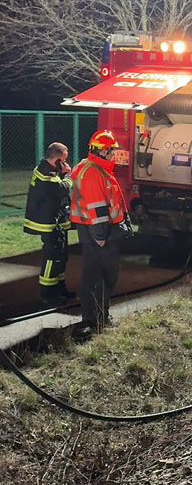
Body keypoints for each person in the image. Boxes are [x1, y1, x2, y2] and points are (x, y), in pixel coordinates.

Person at [70, 130, 131, 341]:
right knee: (99, 276)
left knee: (99, 275)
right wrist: (100, 235)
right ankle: (95, 319)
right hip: (97, 232)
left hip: (96, 230)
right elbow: (97, 208)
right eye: (112, 151)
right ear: (102, 151)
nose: (114, 154)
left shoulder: (94, 168)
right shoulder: (93, 172)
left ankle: (97, 317)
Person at [23, 142, 74, 306]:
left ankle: (59, 288)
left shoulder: (50, 170)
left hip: (56, 221)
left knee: (61, 256)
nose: (65, 163)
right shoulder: (45, 173)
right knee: (52, 258)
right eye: (64, 160)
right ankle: (48, 294)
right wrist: (68, 176)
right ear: (58, 159)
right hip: (48, 223)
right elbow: (61, 189)